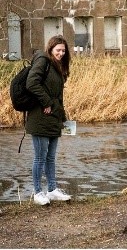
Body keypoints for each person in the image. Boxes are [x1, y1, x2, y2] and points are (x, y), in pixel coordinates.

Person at [26, 35, 72, 205]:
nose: (61, 53)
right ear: (51, 49)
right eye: (58, 50)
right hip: (39, 116)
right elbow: (31, 83)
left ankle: (52, 190)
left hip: (53, 117)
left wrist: (63, 117)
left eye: (63, 50)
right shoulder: (43, 61)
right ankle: (38, 192)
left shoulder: (57, 66)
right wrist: (46, 102)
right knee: (40, 157)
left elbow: (58, 96)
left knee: (51, 157)